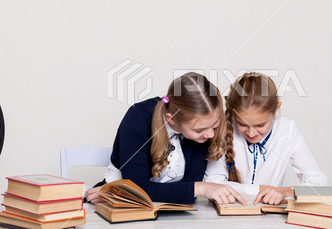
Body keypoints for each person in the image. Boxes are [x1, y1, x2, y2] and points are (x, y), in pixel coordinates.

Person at [85, 72, 246, 206]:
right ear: (172, 119)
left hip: (170, 210)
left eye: (215, 124)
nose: (210, 134)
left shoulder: (202, 129)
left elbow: (190, 184)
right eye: (200, 130)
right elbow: (136, 189)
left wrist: (195, 188)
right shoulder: (137, 119)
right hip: (120, 203)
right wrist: (201, 188)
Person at [204, 72, 327, 205]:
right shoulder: (224, 128)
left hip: (270, 217)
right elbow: (211, 184)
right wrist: (262, 190)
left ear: (275, 110)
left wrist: (285, 193)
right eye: (242, 124)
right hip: (226, 216)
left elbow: (318, 181)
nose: (251, 133)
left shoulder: (287, 129)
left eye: (260, 125)